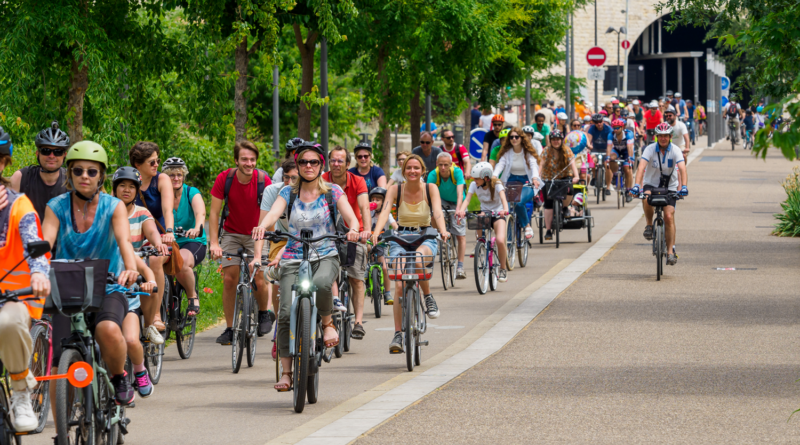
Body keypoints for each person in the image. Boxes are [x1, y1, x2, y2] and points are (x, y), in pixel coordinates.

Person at [252, 143, 360, 392]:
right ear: (297, 165)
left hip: (326, 253)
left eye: (313, 162)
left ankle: (327, 323)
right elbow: (272, 214)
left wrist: (354, 229)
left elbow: (350, 216)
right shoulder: (288, 193)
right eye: (303, 162)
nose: (308, 166)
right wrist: (262, 226)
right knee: (286, 313)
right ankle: (287, 372)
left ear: (321, 165)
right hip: (293, 255)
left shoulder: (332, 191)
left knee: (322, 284)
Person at [42, 141, 141, 405]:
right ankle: (62, 433)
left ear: (101, 176)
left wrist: (130, 269)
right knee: (57, 369)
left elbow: (124, 242)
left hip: (108, 286)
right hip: (67, 290)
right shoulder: (55, 207)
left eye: (92, 171)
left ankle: (119, 376)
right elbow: (45, 244)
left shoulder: (113, 207)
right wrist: (35, 270)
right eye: (78, 171)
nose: (84, 176)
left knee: (108, 329)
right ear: (69, 174)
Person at [371, 155, 451, 354]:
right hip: (401, 236)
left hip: (425, 236)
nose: (412, 171)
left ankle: (428, 296)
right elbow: (385, 211)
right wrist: (375, 232)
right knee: (399, 285)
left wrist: (443, 230)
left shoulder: (430, 188)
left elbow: (438, 212)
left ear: (422, 170)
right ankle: (398, 333)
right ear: (403, 171)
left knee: (417, 259)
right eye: (409, 168)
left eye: (416, 168)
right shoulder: (395, 189)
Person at [0, 128, 52, 432]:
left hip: (15, 297)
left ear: (4, 163)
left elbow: (35, 245)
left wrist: (37, 274)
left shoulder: (19, 206)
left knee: (6, 323)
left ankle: (20, 390)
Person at [208, 141, 273, 344]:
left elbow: (270, 214)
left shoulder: (263, 180)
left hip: (257, 232)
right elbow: (214, 213)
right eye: (244, 159)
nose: (249, 163)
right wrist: (214, 244)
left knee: (259, 277)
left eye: (252, 159)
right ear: (236, 160)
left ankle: (263, 312)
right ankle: (229, 328)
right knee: (229, 279)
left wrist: (266, 241)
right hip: (232, 233)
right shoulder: (224, 178)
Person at [110, 166, 162, 398]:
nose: (126, 190)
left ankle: (141, 371)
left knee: (131, 339)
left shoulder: (141, 214)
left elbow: (151, 234)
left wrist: (158, 243)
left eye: (132, 186)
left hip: (131, 279)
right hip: (104, 289)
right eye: (122, 186)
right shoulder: (105, 211)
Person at [323, 146, 372, 339]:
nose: (336, 164)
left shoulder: (357, 181)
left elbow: (364, 207)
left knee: (356, 278)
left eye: (340, 161)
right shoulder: (322, 180)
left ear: (347, 164)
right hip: (327, 234)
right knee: (326, 276)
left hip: (353, 233)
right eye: (333, 161)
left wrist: (366, 230)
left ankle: (358, 322)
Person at [130, 141, 174, 333]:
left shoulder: (161, 179)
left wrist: (170, 232)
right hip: (133, 238)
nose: (157, 165)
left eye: (157, 160)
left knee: (155, 259)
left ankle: (156, 315)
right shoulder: (128, 181)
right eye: (152, 162)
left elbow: (167, 209)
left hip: (161, 238)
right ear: (138, 166)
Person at [630, 122, 688, 266]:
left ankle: (670, 252)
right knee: (646, 197)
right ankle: (649, 225)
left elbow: (682, 169)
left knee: (668, 216)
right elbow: (641, 167)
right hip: (652, 184)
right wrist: (637, 186)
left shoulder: (675, 150)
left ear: (670, 136)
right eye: (660, 136)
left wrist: (684, 187)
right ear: (657, 137)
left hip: (670, 186)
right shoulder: (649, 149)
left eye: (665, 136)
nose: (663, 138)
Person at [255, 159, 296, 360]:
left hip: (306, 239)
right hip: (280, 239)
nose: (289, 181)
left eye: (294, 178)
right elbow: (264, 222)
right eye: (286, 177)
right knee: (279, 281)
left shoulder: (310, 189)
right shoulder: (274, 191)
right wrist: (257, 256)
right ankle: (280, 326)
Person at [163, 157, 207, 317]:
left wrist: (197, 228)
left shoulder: (191, 192)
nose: (176, 178)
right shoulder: (161, 195)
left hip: (193, 241)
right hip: (168, 242)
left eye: (179, 175)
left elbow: (200, 212)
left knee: (180, 263)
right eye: (171, 175)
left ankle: (192, 296)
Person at [455, 161, 509, 282]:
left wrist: (505, 210)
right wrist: (462, 211)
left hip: (498, 214)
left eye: (477, 178)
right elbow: (467, 200)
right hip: (485, 212)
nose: (474, 181)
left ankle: (503, 269)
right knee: (478, 217)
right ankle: (480, 242)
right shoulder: (474, 185)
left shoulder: (497, 185)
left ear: (486, 178)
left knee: (500, 240)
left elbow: (503, 199)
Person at [9, 121, 69, 220]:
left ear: (64, 156)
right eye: (46, 151)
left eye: (57, 152)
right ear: (37, 154)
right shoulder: (21, 178)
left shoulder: (72, 179)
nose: (51, 156)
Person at [492, 127, 542, 240]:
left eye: (516, 137)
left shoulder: (527, 151)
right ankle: (506, 235)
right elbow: (500, 165)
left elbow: (534, 165)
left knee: (518, 203)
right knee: (503, 205)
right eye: (511, 137)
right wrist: (494, 177)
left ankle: (527, 226)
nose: (514, 139)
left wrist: (535, 178)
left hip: (527, 181)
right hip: (511, 180)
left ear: (521, 138)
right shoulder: (507, 153)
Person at [428, 152, 467, 278]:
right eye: (440, 165)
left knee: (460, 235)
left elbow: (460, 192)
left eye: (446, 165)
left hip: (457, 200)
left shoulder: (457, 172)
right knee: (433, 216)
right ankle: (439, 236)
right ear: (436, 164)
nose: (443, 168)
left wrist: (458, 209)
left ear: (450, 164)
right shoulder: (433, 175)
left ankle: (460, 266)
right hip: (441, 200)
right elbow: (429, 194)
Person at [539, 131, 580, 241]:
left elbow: (572, 164)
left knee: (570, 190)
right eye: (553, 139)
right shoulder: (546, 151)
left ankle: (565, 207)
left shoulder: (566, 150)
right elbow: (541, 165)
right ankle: (548, 230)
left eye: (558, 139)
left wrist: (576, 176)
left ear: (561, 140)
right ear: (550, 141)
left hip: (564, 177)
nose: (556, 141)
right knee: (548, 204)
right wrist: (537, 178)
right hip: (549, 178)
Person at [367, 187, 398, 303]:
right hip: (369, 241)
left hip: (381, 242)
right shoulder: (368, 212)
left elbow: (394, 225)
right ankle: (366, 272)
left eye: (378, 200)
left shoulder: (387, 214)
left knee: (384, 267)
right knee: (366, 249)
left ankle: (387, 293)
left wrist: (397, 231)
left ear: (384, 202)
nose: (374, 202)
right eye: (372, 199)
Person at [607, 119, 635, 202]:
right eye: (614, 128)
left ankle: (628, 191)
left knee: (627, 169)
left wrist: (630, 158)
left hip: (627, 151)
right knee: (611, 159)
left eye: (617, 128)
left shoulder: (628, 134)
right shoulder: (611, 134)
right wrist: (608, 157)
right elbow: (609, 147)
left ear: (622, 127)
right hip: (616, 150)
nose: (615, 130)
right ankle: (615, 174)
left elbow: (630, 147)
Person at [586, 114, 613, 194]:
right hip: (595, 149)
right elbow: (589, 138)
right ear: (594, 123)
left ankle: (608, 187)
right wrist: (589, 146)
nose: (599, 123)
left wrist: (608, 154)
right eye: (596, 122)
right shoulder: (592, 129)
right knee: (592, 160)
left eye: (600, 121)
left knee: (607, 165)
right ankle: (594, 176)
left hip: (606, 148)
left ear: (603, 121)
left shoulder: (608, 129)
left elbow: (610, 142)